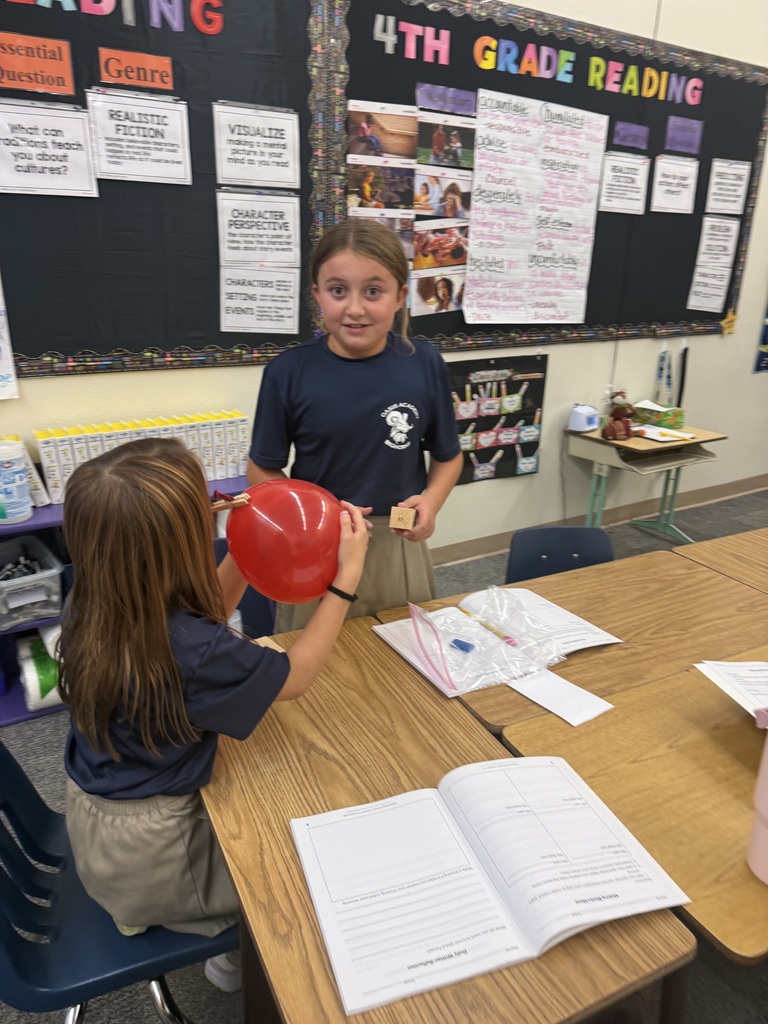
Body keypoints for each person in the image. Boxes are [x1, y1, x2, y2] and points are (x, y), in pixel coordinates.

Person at [57, 437, 368, 994]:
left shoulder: (96, 599)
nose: (216, 512)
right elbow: (294, 678)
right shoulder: (191, 648)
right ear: (177, 545)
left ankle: (147, 903)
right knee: (306, 856)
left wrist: (252, 544)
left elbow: (203, 611)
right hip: (154, 853)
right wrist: (345, 582)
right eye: (202, 513)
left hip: (102, 820)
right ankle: (230, 951)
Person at [248, 218, 463, 632]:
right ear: (317, 295)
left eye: (373, 291)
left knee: (407, 658)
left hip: (397, 540)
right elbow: (262, 469)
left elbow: (448, 456)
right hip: (318, 543)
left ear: (400, 296)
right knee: (314, 664)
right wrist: (309, 518)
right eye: (338, 290)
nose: (355, 308)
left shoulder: (424, 363)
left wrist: (431, 502)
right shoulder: (288, 372)